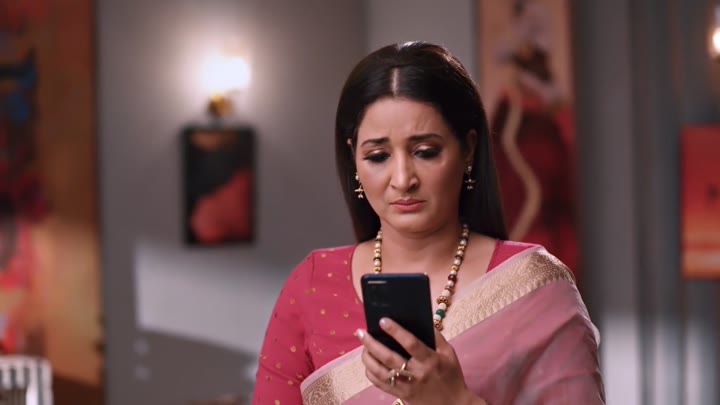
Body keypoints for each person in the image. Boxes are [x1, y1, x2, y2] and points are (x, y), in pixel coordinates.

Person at [252, 41, 604, 405]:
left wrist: (455, 401)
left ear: (468, 149)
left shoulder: (534, 285)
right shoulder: (312, 284)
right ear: (354, 158)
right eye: (378, 156)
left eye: (425, 152)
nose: (403, 179)